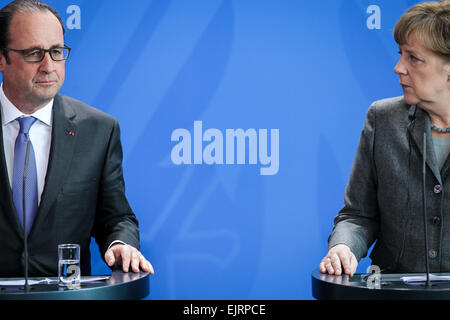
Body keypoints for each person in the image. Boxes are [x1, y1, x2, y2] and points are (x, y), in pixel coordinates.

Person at [0, 0, 154, 277]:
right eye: (34, 53)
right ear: (2, 57)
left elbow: (116, 217)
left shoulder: (98, 129)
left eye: (56, 52)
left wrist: (121, 243)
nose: (49, 66)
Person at [320, 0, 449, 277]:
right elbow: (358, 215)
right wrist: (343, 246)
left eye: (413, 58)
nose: (398, 67)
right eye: (400, 54)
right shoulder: (383, 119)